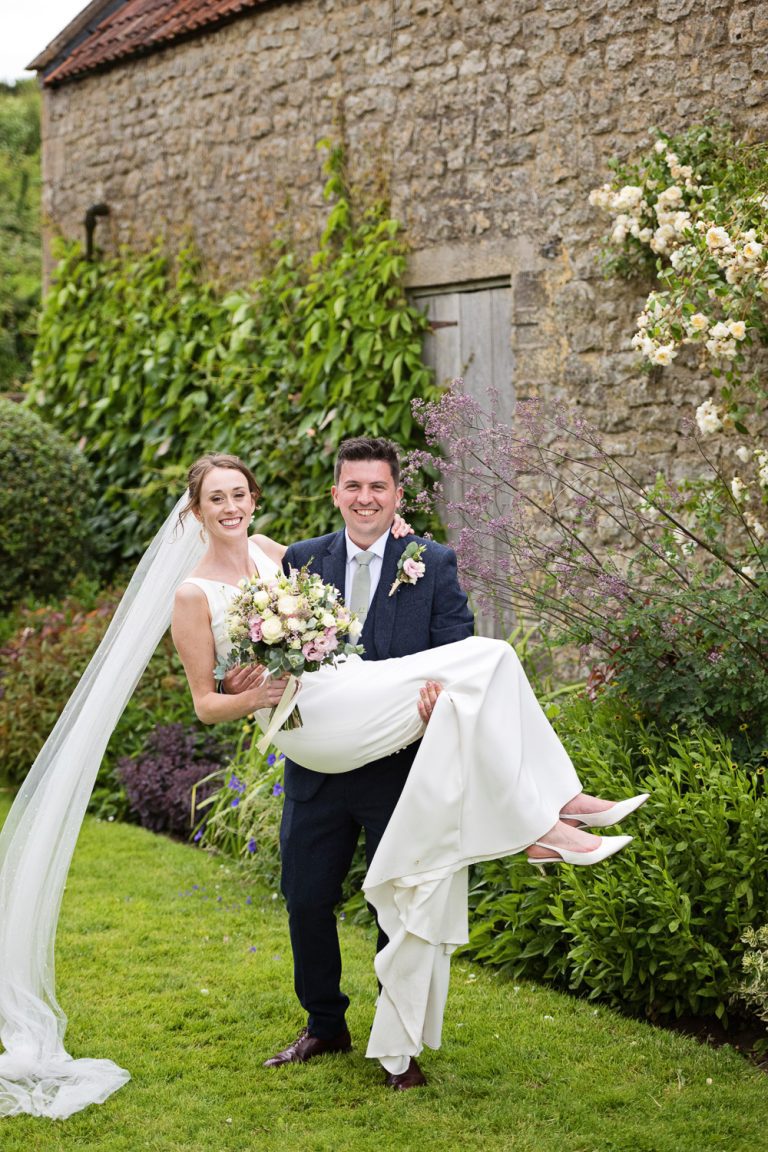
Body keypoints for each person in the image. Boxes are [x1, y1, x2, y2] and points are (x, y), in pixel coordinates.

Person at [171, 447, 648, 1091]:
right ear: (196, 510)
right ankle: (324, 1025)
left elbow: (347, 577)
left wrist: (394, 534)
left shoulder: (275, 554)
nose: (230, 507)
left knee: (491, 665)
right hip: (317, 739)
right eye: (216, 498)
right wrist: (252, 693)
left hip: (383, 740)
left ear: (254, 500)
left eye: (238, 495)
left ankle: (549, 814)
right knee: (306, 902)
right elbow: (208, 699)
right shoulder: (204, 588)